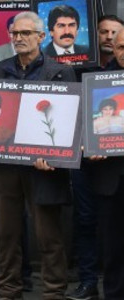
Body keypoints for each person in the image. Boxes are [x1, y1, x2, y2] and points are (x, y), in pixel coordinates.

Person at [0, 11, 74, 300]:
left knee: (48, 234)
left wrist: (54, 155)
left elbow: (68, 121)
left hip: (43, 166)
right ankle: (8, 290)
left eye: (25, 33)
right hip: (4, 165)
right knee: (6, 234)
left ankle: (53, 292)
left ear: (41, 37)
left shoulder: (60, 71)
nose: (18, 38)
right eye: (15, 33)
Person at [85, 29, 124, 299]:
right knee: (113, 247)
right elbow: (85, 129)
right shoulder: (98, 81)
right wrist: (91, 147)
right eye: (121, 47)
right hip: (110, 178)